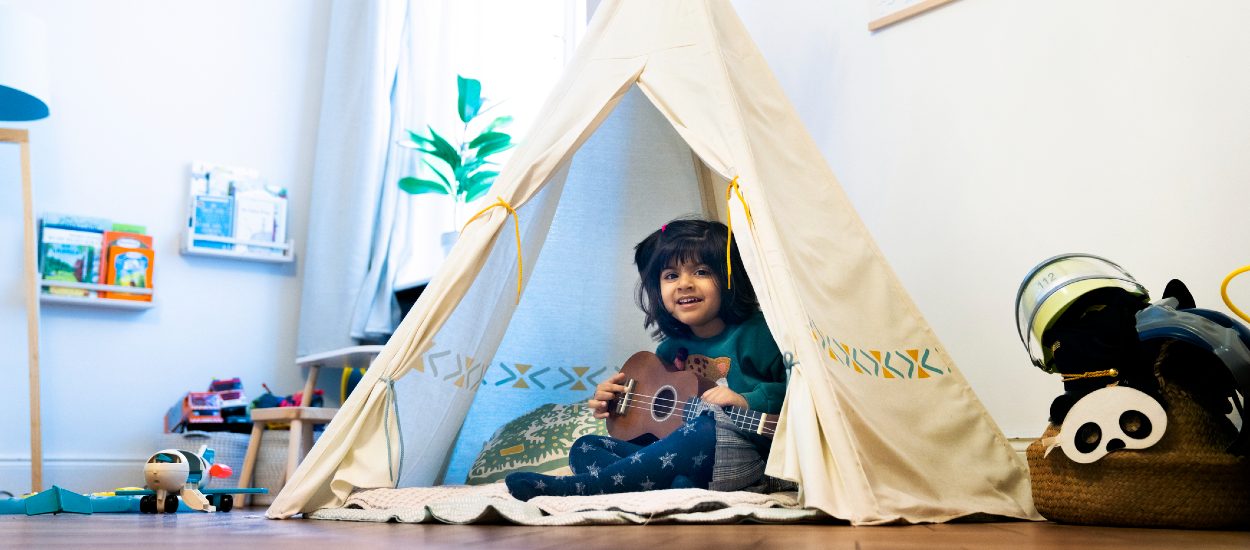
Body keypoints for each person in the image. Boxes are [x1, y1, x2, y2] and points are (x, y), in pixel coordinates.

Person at [505, 218, 788, 500]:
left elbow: (800, 392)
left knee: (703, 428)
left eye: (701, 271)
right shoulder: (668, 351)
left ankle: (579, 488)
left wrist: (746, 400)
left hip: (743, 453)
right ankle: (678, 486)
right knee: (586, 447)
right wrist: (617, 405)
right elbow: (655, 427)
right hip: (686, 457)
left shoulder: (760, 333)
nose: (684, 284)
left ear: (730, 278)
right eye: (670, 275)